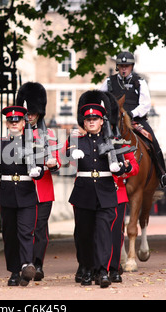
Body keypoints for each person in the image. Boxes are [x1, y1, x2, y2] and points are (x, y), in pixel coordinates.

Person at [64, 91, 128, 288]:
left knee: (103, 234)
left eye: (95, 118)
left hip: (106, 192)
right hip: (84, 193)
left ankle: (102, 271)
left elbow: (127, 164)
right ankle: (86, 268)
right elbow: (64, 160)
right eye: (88, 119)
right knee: (84, 234)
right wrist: (69, 150)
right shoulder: (76, 140)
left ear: (102, 121)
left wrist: (122, 167)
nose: (91, 121)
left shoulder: (112, 142)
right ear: (84, 122)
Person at [100, 51, 166, 187]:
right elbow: (101, 100)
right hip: (114, 121)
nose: (124, 69)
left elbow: (145, 104)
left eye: (126, 66)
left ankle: (162, 174)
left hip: (135, 119)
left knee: (152, 139)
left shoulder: (139, 82)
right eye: (121, 66)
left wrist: (131, 114)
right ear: (117, 67)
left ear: (131, 66)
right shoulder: (109, 82)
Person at [0, 105, 44, 286]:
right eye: (11, 121)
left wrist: (39, 170)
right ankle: (14, 271)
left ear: (23, 123)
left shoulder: (33, 143)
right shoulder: (0, 143)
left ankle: (26, 266)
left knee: (26, 232)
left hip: (26, 192)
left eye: (17, 121)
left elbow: (41, 168)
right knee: (10, 234)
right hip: (7, 192)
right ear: (7, 124)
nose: (14, 123)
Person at [15, 82, 60, 281]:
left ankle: (38, 263)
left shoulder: (49, 134)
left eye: (33, 112)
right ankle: (26, 264)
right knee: (25, 229)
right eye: (28, 112)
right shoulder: (15, 133)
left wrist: (53, 164)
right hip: (24, 188)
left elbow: (57, 160)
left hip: (43, 188)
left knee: (40, 229)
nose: (30, 115)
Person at [109, 147, 139, 283]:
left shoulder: (120, 142)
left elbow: (134, 166)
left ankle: (162, 173)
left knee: (151, 140)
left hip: (136, 125)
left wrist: (126, 169)